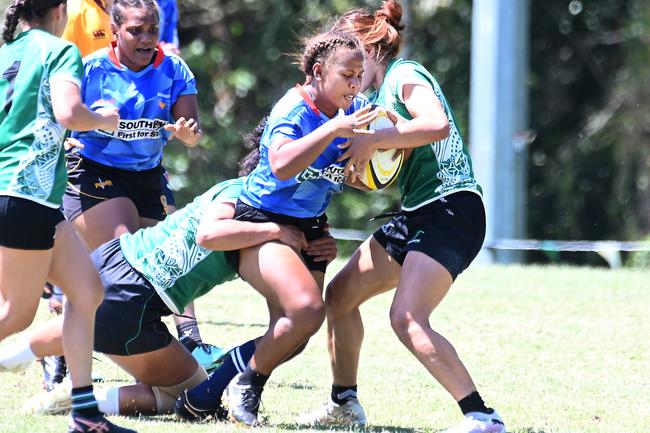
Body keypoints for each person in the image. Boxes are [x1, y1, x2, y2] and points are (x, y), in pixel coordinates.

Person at [0, 118, 338, 418]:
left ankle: (19, 354)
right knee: (179, 393)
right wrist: (279, 231)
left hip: (116, 263)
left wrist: (315, 244)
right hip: (134, 296)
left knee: (92, 319)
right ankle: (79, 400)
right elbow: (211, 235)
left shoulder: (244, 196)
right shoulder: (246, 200)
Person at [298, 2, 507, 433]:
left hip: (452, 207)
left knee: (407, 317)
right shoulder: (369, 102)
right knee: (339, 296)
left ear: (370, 49)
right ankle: (344, 403)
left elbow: (437, 125)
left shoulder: (404, 75)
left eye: (352, 57)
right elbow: (379, 173)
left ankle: (482, 416)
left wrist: (377, 138)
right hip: (416, 212)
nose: (349, 72)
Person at [197, 30, 379, 427]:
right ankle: (245, 384)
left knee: (293, 336)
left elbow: (364, 178)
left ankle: (209, 392)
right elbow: (281, 165)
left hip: (311, 227)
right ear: (318, 72)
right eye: (347, 74)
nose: (355, 83)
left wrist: (371, 151)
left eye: (360, 74)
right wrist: (333, 130)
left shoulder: (357, 108)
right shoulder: (294, 110)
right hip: (262, 219)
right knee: (307, 312)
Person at [63, 0, 222, 373]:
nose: (148, 38)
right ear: (115, 32)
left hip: (148, 176)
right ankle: (61, 352)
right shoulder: (92, 70)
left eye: (153, 29)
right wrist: (71, 133)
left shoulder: (174, 69)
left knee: (173, 255)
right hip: (94, 171)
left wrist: (187, 134)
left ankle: (191, 342)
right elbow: (56, 114)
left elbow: (193, 131)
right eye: (137, 30)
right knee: (129, 257)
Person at [0, 1, 136, 432]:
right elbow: (68, 112)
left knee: (87, 291)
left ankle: (85, 414)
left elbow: (25, 121)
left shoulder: (9, 50)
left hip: (27, 192)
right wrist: (103, 121)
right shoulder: (58, 50)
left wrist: (55, 145)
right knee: (16, 315)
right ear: (60, 10)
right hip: (25, 193)